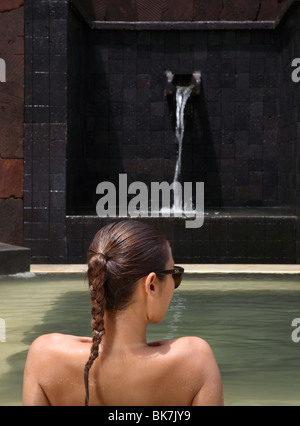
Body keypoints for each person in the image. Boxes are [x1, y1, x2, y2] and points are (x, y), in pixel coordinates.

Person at [23, 219, 223, 406]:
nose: (174, 285)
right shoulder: (195, 361)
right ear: (152, 285)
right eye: (174, 274)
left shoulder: (44, 356)